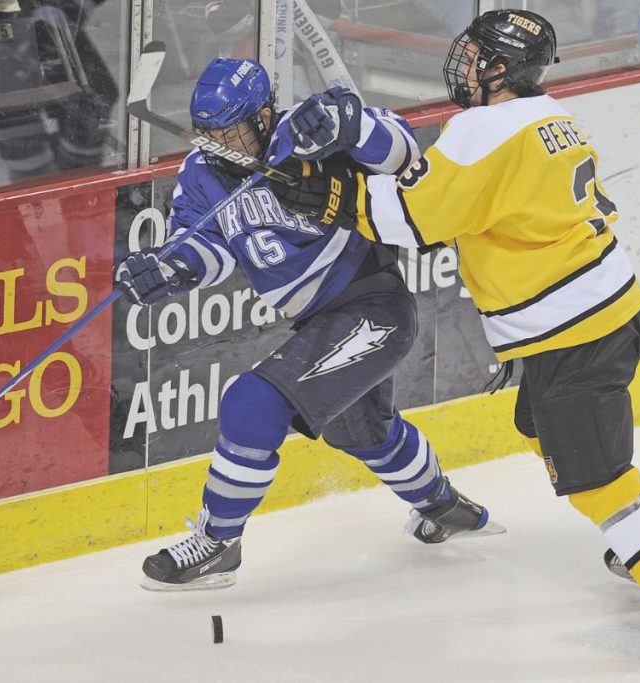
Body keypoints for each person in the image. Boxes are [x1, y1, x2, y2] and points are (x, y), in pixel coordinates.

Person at [270, 9, 640, 672]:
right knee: (546, 431)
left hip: (578, 332)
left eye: (475, 56)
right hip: (610, 311)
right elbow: (457, 198)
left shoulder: (481, 131)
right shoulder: (549, 117)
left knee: (601, 483)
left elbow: (414, 217)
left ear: (499, 68)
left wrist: (326, 193)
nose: (462, 64)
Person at [114, 57, 503, 592]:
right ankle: (444, 507)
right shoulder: (202, 173)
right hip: (321, 322)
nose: (218, 143)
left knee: (251, 404)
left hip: (374, 309)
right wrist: (171, 268)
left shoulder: (310, 130)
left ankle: (218, 543)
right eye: (208, 132)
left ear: (264, 116)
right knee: (363, 432)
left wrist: (355, 124)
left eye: (231, 131)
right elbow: (207, 247)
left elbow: (407, 154)